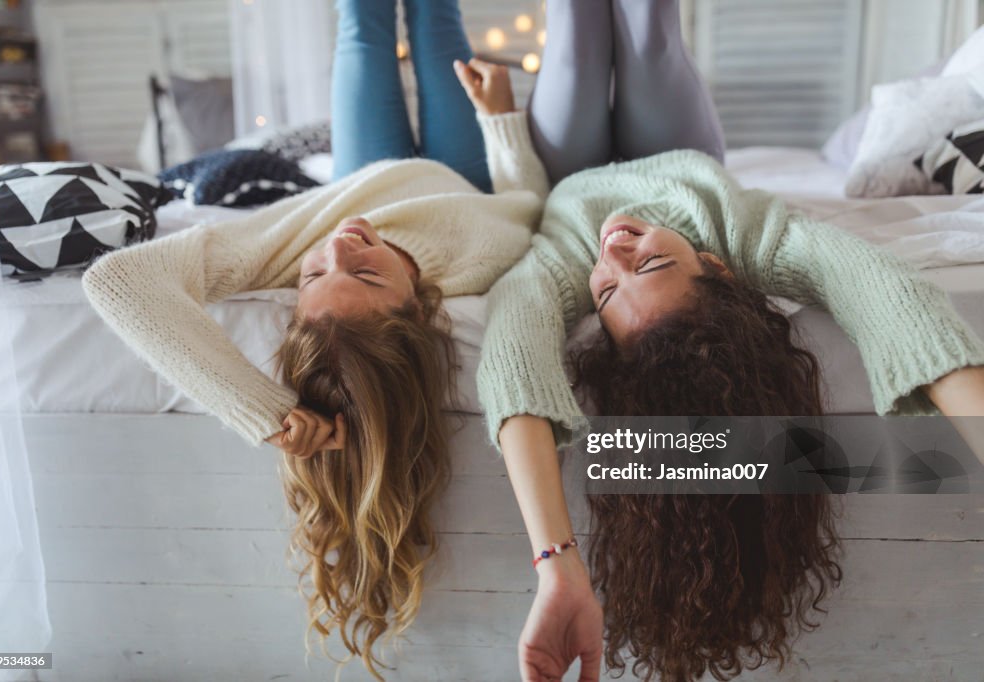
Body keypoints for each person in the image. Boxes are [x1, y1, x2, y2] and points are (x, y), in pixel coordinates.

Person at [465, 0, 984, 680]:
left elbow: (513, 359)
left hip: (571, 169)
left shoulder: (566, 258)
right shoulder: (739, 237)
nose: (615, 249)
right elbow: (880, 291)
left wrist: (556, 565)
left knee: (573, 42)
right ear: (715, 268)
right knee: (648, 33)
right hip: (681, 147)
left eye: (604, 293)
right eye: (651, 261)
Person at [82, 0, 549, 679]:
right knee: (435, 24)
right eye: (363, 270)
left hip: (361, 167)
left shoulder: (290, 244)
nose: (339, 243)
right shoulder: (477, 265)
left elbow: (119, 282)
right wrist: (502, 120)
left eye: (313, 274)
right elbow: (527, 202)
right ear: (417, 307)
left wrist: (264, 411)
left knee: (361, 25)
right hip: (467, 176)